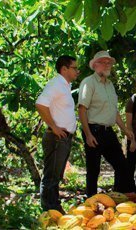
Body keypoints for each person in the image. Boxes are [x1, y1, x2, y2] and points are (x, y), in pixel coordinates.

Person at [78, 51, 135, 197]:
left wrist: (125, 129)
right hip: (93, 130)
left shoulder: (110, 85)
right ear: (95, 65)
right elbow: (82, 109)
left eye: (109, 63)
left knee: (122, 164)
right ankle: (91, 200)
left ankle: (120, 197)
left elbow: (114, 111)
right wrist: (88, 134)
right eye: (104, 62)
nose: (108, 65)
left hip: (108, 130)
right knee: (93, 168)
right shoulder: (88, 83)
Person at [36, 55, 79, 213]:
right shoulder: (56, 84)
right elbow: (40, 104)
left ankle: (54, 208)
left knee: (55, 176)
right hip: (56, 138)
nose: (77, 71)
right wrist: (54, 126)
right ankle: (49, 210)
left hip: (63, 138)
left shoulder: (65, 86)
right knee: (51, 177)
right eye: (74, 68)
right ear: (64, 69)